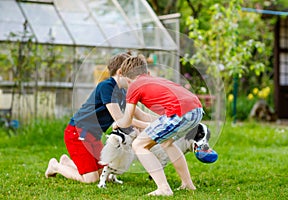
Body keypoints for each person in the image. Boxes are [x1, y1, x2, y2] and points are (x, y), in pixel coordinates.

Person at [45, 52, 150, 183]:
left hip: (93, 136)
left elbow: (141, 114)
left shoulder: (123, 91)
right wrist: (147, 126)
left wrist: (163, 120)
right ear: (120, 72)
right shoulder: (106, 87)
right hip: (78, 133)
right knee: (91, 179)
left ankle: (67, 162)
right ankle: (56, 166)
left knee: (103, 174)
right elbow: (120, 120)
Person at [112, 54, 204, 196]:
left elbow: (127, 120)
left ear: (127, 78)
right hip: (196, 109)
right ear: (146, 72)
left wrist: (117, 123)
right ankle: (188, 184)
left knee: (139, 145)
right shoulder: (153, 80)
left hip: (179, 113)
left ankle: (164, 189)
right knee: (167, 142)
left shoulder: (133, 86)